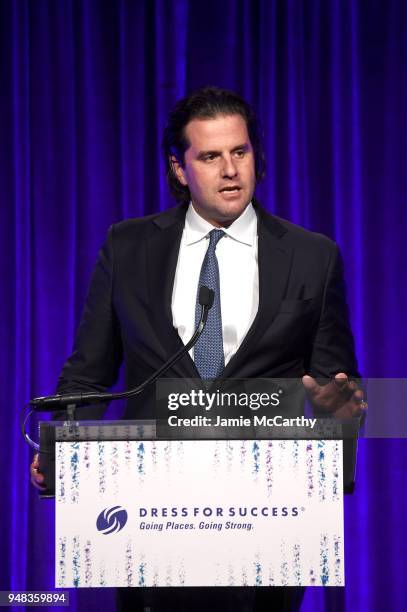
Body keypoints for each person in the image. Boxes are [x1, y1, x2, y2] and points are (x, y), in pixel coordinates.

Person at [31, 86, 366, 611]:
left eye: (240, 152)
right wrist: (61, 446)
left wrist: (338, 415)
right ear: (180, 169)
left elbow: (339, 386)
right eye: (210, 156)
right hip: (150, 506)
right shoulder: (129, 246)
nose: (230, 169)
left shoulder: (311, 255)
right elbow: (89, 373)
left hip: (267, 510)